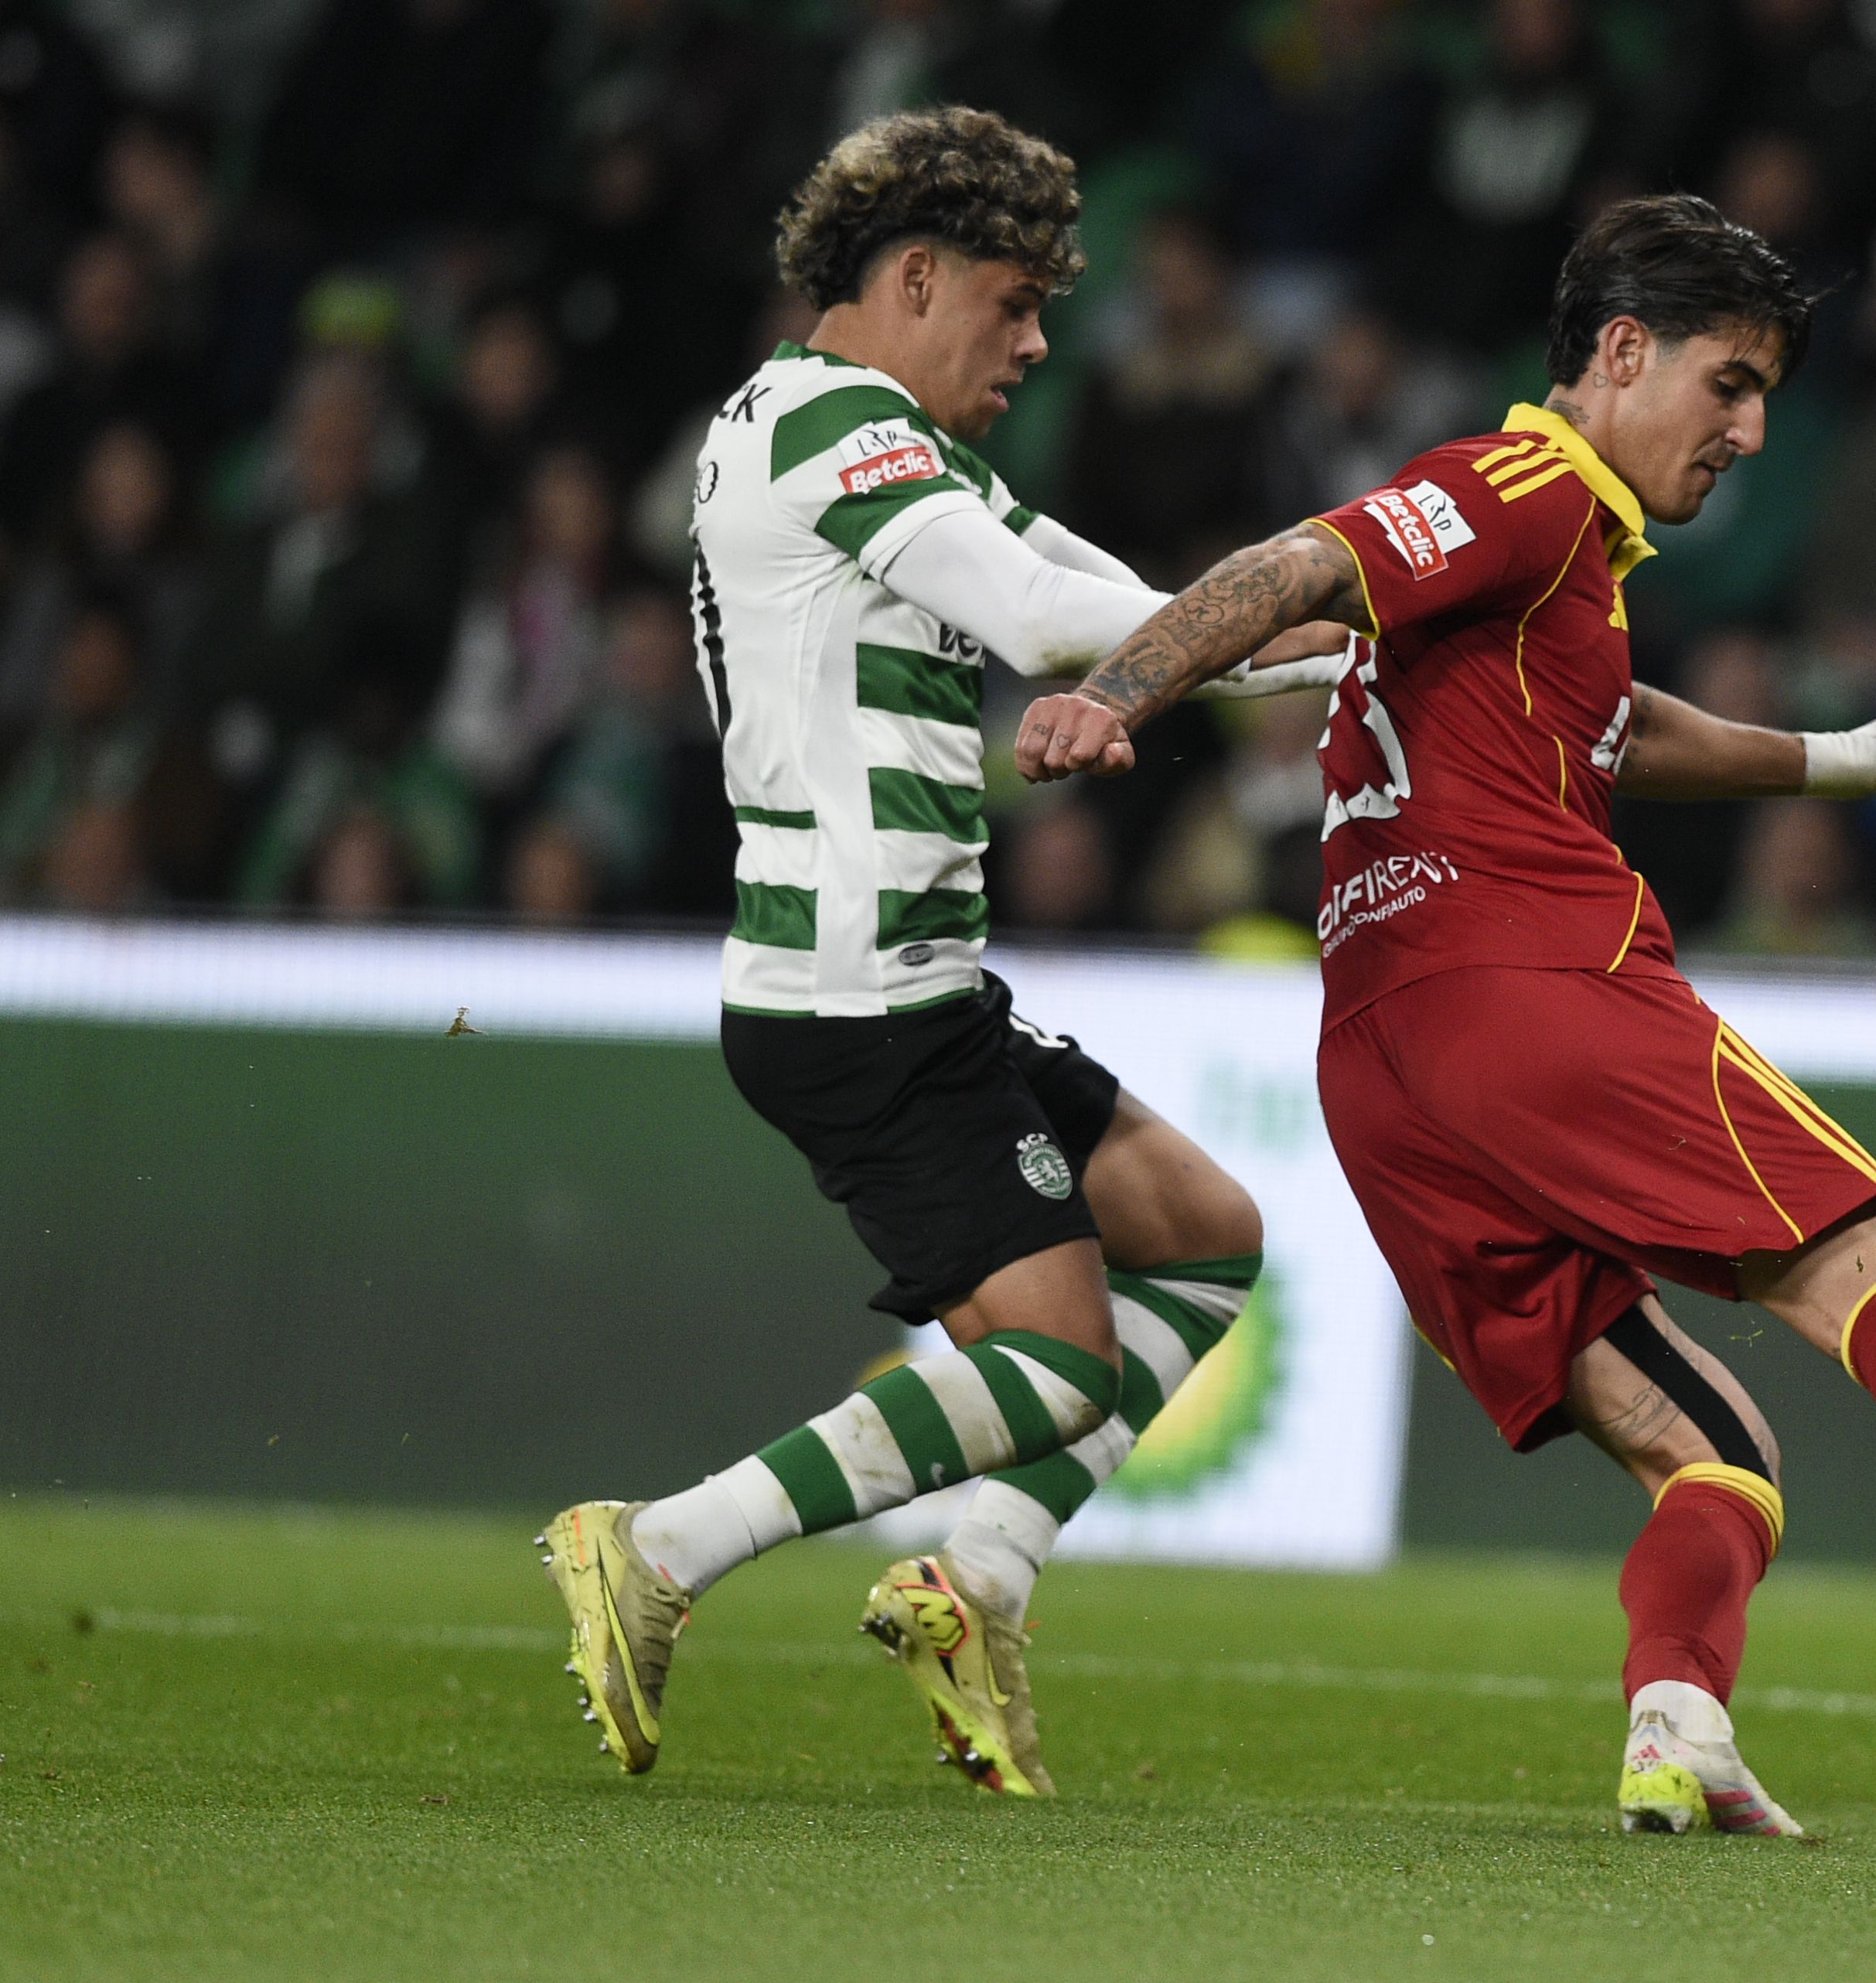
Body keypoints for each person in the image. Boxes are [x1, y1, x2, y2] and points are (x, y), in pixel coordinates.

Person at [1017, 194, 1876, 1837]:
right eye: (1728, 383)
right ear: (1621, 355)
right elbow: (1303, 561)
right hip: (1534, 980)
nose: (1752, 430)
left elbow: (1609, 725)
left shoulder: (1558, 562)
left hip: (1382, 1065)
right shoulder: (1525, 483)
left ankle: (1678, 1722)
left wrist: (1849, 756)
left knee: (1705, 1445)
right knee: (1848, 1261)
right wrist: (1114, 690)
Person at [539, 108, 1345, 1797]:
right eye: (1015, 299)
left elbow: (1115, 599)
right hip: (858, 1000)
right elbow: (1059, 628)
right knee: (1055, 1362)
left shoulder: (891, 450)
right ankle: (665, 1548)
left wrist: (1337, 654)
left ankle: (974, 1582)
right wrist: (1299, 610)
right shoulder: (825, 426)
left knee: (1204, 1238)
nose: (1041, 340)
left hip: (915, 988)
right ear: (913, 278)